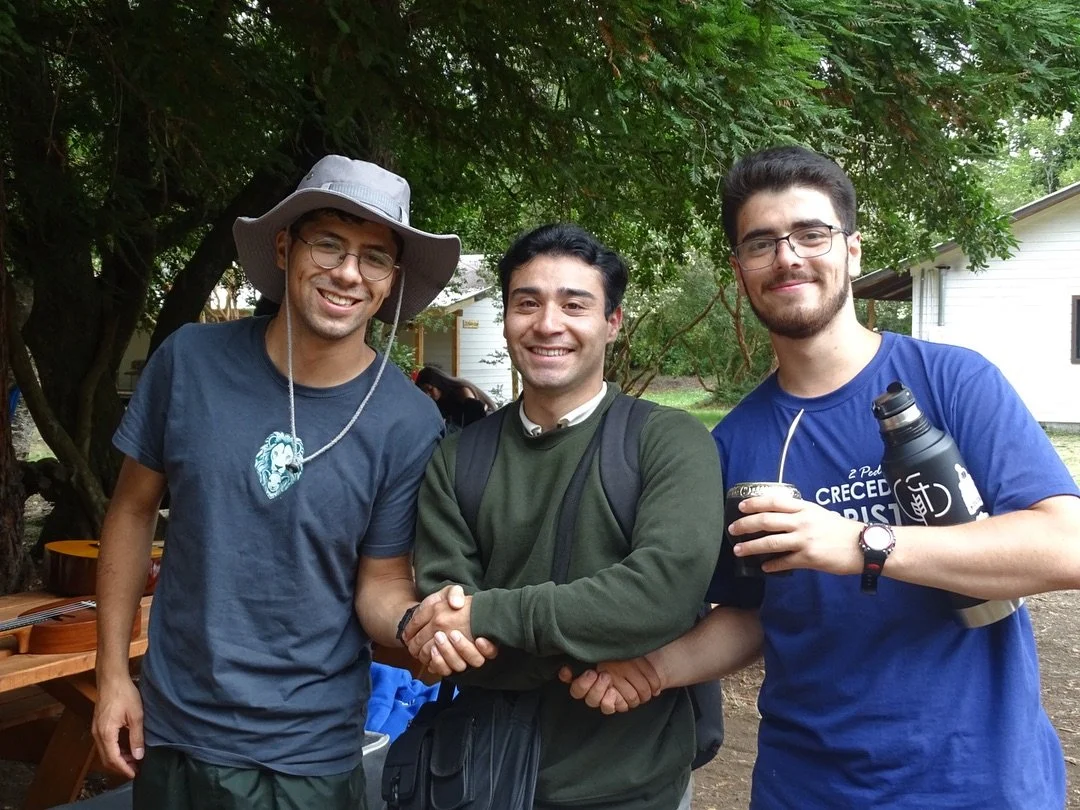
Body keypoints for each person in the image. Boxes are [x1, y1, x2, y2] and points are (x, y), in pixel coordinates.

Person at [565, 145, 1080, 808]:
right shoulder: (731, 443)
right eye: (761, 242)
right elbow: (751, 613)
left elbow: (1065, 547)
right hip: (805, 786)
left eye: (811, 233)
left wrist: (864, 543)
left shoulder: (954, 381)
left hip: (976, 783)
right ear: (740, 270)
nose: (788, 256)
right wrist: (652, 670)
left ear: (853, 250)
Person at [91, 155, 483, 810]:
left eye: (374, 257)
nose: (348, 273)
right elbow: (130, 512)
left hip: (307, 755)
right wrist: (111, 678)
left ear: (391, 281)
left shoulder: (409, 422)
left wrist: (420, 623)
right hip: (175, 731)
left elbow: (382, 580)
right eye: (328, 242)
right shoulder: (189, 363)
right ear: (284, 247)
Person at [400, 223, 725, 810]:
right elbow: (453, 627)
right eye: (528, 303)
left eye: (575, 305)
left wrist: (494, 614)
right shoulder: (457, 459)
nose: (548, 324)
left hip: (634, 782)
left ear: (612, 323)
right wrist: (597, 636)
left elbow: (662, 594)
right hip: (480, 778)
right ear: (505, 319)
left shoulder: (668, 441)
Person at [414, 364, 495, 429]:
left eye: (430, 389)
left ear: (438, 382)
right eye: (424, 392)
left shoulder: (462, 390)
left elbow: (475, 416)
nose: (428, 394)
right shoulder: (439, 401)